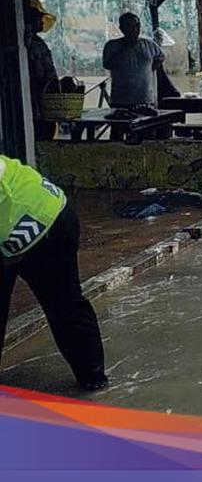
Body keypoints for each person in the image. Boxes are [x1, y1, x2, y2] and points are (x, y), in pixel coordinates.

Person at [0, 154, 107, 390]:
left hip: (47, 221)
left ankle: (93, 378)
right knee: (66, 304)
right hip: (32, 213)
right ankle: (93, 376)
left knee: (63, 304)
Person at [103, 12, 164, 110]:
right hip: (120, 101)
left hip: (145, 100)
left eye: (137, 25)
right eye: (129, 26)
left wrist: (150, 68)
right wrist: (126, 47)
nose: (134, 29)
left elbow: (160, 57)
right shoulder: (112, 46)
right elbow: (108, 64)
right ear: (122, 28)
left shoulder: (150, 45)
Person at [25, 0, 59, 140]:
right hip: (37, 92)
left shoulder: (36, 42)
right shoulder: (31, 43)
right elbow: (39, 70)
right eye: (38, 18)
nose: (41, 22)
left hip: (42, 92)